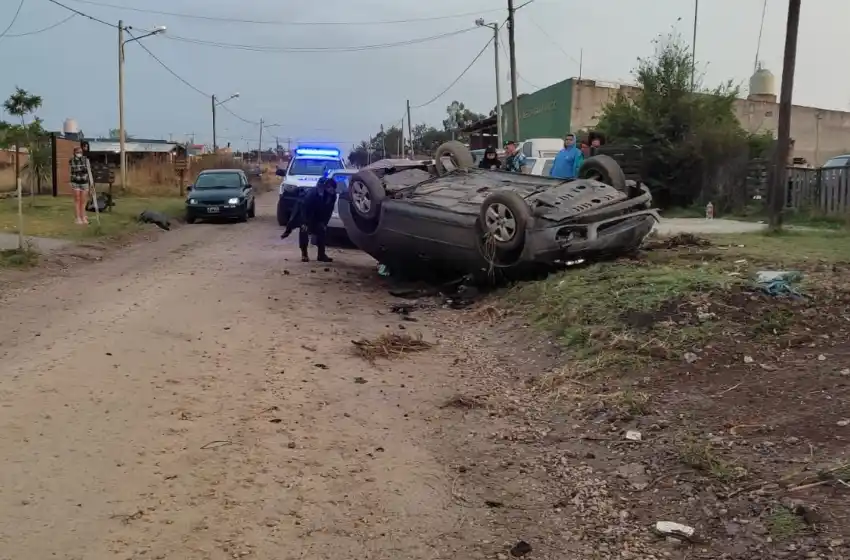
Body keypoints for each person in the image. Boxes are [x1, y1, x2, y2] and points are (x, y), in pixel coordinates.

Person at [280, 176, 337, 262]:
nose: (331, 189)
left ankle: (321, 255)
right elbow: (304, 209)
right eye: (329, 187)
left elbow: (329, 210)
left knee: (322, 231)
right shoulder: (311, 194)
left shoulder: (332, 196)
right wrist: (304, 222)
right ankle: (304, 254)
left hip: (318, 215)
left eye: (332, 187)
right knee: (303, 230)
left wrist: (325, 222)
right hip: (305, 213)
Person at [69, 146, 91, 225]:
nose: (79, 153)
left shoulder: (85, 159)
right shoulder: (72, 160)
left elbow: (88, 170)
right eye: (77, 152)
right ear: (74, 153)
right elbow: (76, 169)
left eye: (80, 152)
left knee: (83, 200)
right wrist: (84, 168)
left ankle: (83, 216)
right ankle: (78, 218)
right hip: (76, 182)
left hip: (84, 182)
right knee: (77, 199)